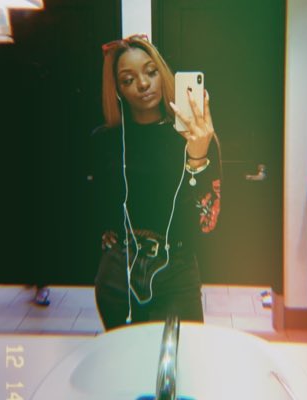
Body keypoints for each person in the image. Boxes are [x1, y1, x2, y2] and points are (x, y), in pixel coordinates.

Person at [90, 34, 221, 330]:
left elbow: (206, 223)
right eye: (128, 79)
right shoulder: (105, 140)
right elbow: (95, 204)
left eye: (151, 72)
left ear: (162, 74)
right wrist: (107, 243)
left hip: (176, 269)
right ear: (118, 89)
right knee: (124, 356)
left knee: (178, 354)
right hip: (118, 274)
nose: (143, 84)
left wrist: (197, 157)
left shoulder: (193, 137)